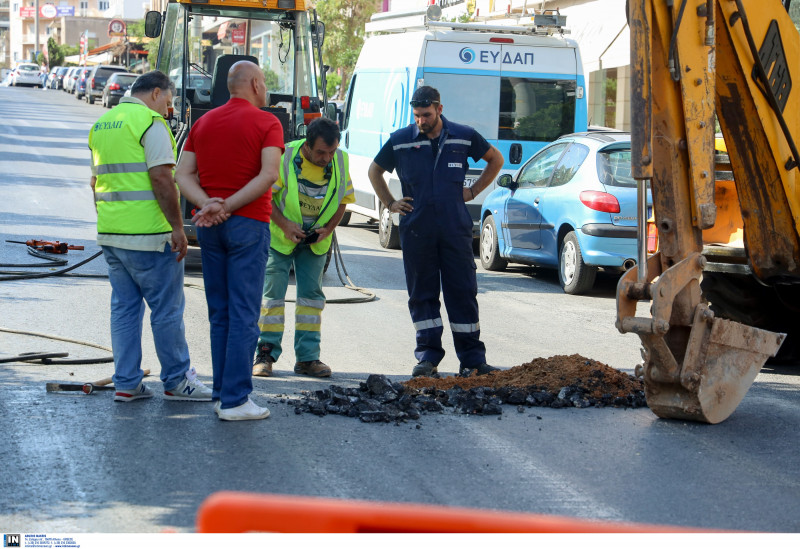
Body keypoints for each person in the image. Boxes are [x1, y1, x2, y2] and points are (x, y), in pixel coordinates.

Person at [88, 70, 212, 403]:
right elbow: (161, 179)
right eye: (168, 102)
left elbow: (95, 183)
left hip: (112, 235)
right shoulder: (149, 123)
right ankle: (176, 381)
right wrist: (177, 228)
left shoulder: (103, 123)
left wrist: (108, 223)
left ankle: (126, 383)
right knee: (167, 310)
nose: (168, 111)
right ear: (156, 93)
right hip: (150, 237)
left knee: (125, 310)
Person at [367, 85, 504, 378]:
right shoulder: (401, 140)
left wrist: (473, 191)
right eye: (416, 115)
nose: (421, 121)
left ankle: (472, 361)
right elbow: (374, 171)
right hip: (417, 231)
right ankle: (428, 358)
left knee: (463, 292)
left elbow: (496, 159)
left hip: (455, 229)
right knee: (422, 295)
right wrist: (390, 202)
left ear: (439, 109)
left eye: (426, 115)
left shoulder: (463, 136)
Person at [175, 60, 284, 421]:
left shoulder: (203, 122)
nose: (265, 88)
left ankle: (223, 393)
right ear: (254, 84)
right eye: (264, 82)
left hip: (211, 229)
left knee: (220, 312)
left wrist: (208, 205)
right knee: (243, 315)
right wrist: (228, 206)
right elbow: (269, 174)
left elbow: (182, 174)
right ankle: (236, 401)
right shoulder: (268, 122)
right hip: (248, 225)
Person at [252, 117, 354, 378]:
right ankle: (265, 355)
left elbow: (343, 199)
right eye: (321, 152)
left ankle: (307, 360)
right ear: (307, 146)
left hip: (316, 243)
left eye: (331, 151)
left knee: (311, 301)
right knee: (271, 298)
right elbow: (266, 195)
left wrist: (328, 229)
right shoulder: (284, 156)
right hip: (280, 238)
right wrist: (286, 225)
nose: (327, 158)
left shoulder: (340, 160)